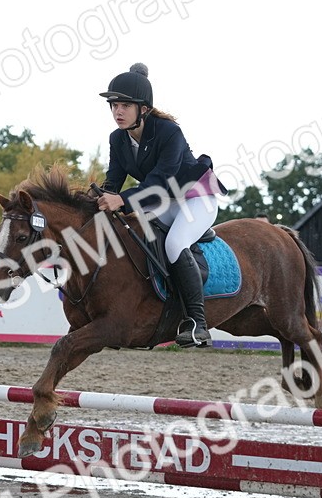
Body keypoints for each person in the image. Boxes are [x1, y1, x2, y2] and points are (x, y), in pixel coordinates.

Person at [96, 63, 227, 348]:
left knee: (174, 243)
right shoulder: (117, 138)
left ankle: (197, 323)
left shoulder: (169, 132)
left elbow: (160, 181)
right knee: (133, 231)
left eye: (125, 106)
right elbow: (114, 179)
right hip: (164, 201)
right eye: (114, 106)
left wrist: (122, 200)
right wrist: (98, 199)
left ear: (143, 109)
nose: (118, 112)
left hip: (196, 198)